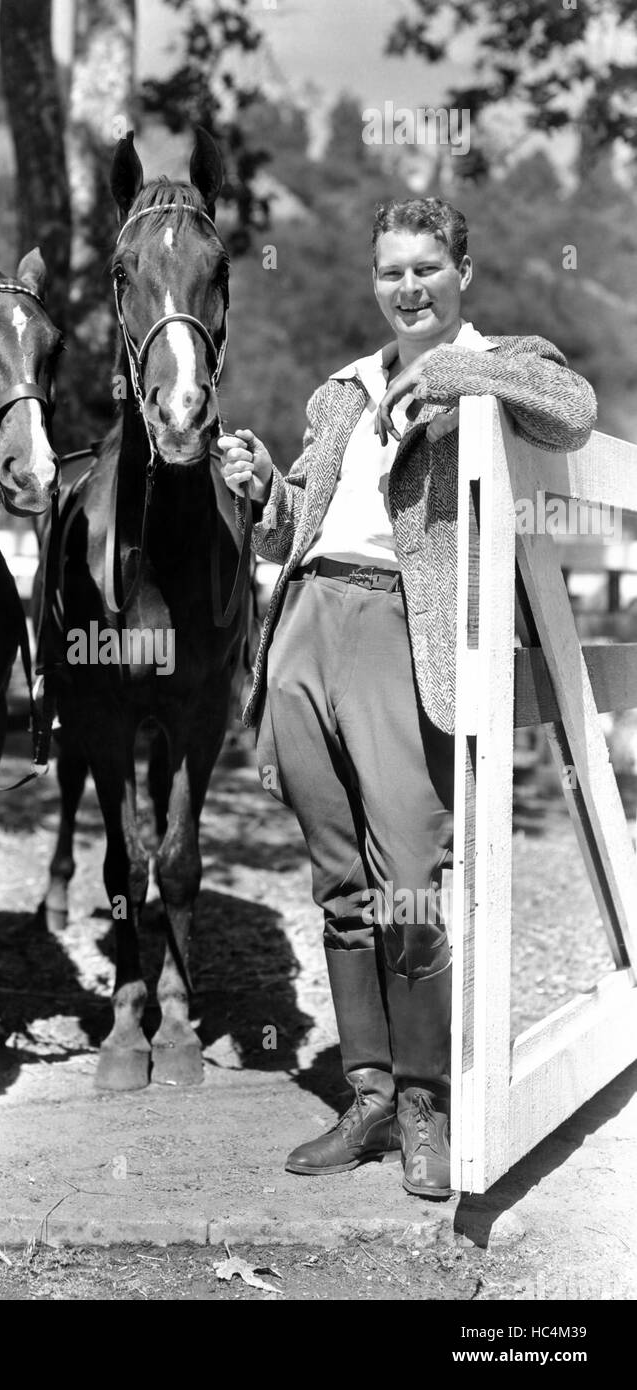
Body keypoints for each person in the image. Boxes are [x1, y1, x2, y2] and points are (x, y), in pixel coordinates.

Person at [220, 197, 596, 1198]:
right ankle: (370, 1091)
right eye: (390, 269)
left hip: (402, 633)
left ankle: (428, 1101)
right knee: (339, 882)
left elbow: (572, 408)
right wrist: (262, 490)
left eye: (425, 266)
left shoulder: (499, 360)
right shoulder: (338, 392)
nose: (406, 285)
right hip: (305, 622)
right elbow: (287, 529)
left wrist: (450, 374)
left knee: (408, 884)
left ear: (459, 272)